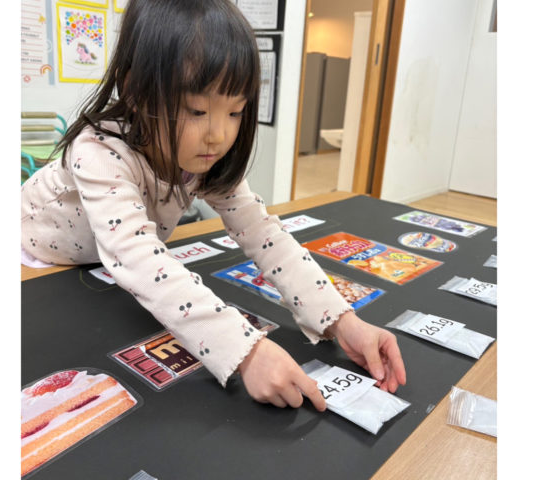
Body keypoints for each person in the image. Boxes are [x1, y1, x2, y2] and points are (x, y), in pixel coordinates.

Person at [21, 0, 406, 411]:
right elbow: (136, 257)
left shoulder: (204, 158)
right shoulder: (98, 150)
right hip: (33, 259)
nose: (218, 135)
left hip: (99, 264)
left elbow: (264, 235)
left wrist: (343, 321)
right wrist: (246, 350)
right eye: (197, 110)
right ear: (135, 91)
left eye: (235, 111)